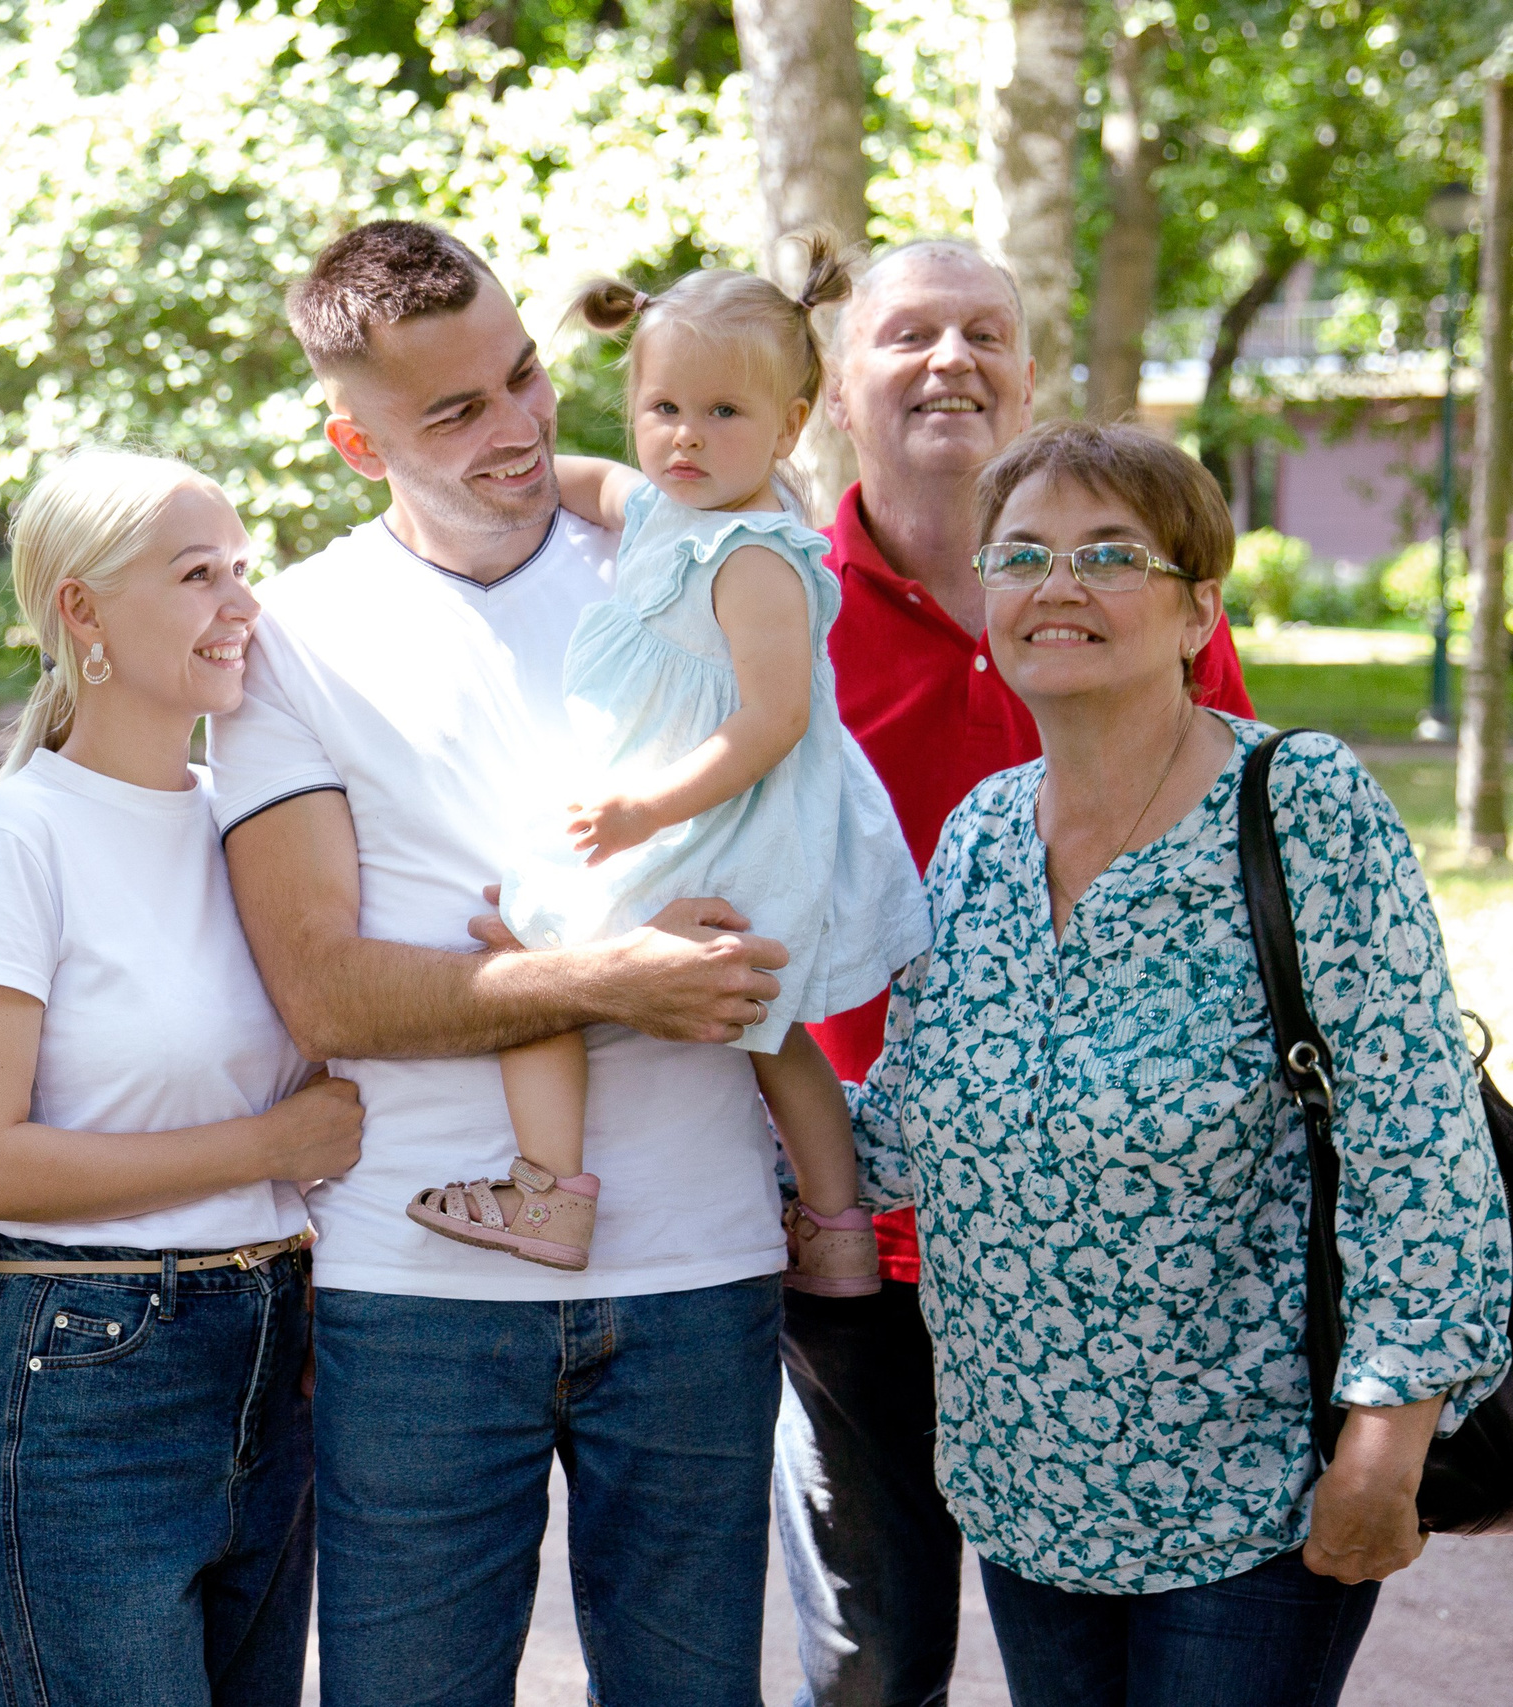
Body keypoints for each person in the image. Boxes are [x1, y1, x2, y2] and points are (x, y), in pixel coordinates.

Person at [211, 221, 794, 1706]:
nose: (521, 425)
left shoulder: (687, 551)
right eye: (454, 411)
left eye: (525, 374)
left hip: (698, 1256)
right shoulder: (295, 636)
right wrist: (613, 979)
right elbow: (326, 988)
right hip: (415, 1282)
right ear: (357, 440)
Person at [849, 418, 1509, 1705]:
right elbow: (908, 1125)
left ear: (1198, 608)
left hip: (1255, 1496)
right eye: (1023, 555)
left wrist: (1385, 1445)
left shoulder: (1297, 805)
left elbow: (1417, 1145)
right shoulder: (979, 836)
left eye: (1110, 554)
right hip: (1025, 1483)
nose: (1059, 585)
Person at [779, 239, 1256, 1706]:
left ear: (1030, 374)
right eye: (908, 333)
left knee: (1123, 1640)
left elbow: (1236, 851)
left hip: (1128, 1238)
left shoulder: (1134, 594)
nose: (950, 359)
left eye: (985, 331)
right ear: (837, 389)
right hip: (869, 1221)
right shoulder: (776, 610)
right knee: (877, 1656)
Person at [0, 449, 361, 1707]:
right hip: (89, 1375)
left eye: (241, 571)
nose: (241, 605)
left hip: (276, 1352)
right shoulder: (18, 840)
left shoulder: (255, 820)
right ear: (82, 611)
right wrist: (272, 1148)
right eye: (196, 574)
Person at [410, 234, 924, 1293]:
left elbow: (776, 719)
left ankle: (548, 1188)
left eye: (723, 414)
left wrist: (647, 808)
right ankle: (833, 1229)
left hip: (725, 815)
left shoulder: (751, 558)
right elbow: (584, 481)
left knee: (528, 954)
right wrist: (474, 473)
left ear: (787, 425)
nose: (685, 438)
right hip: (695, 815)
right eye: (663, 410)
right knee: (765, 1027)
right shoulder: (663, 510)